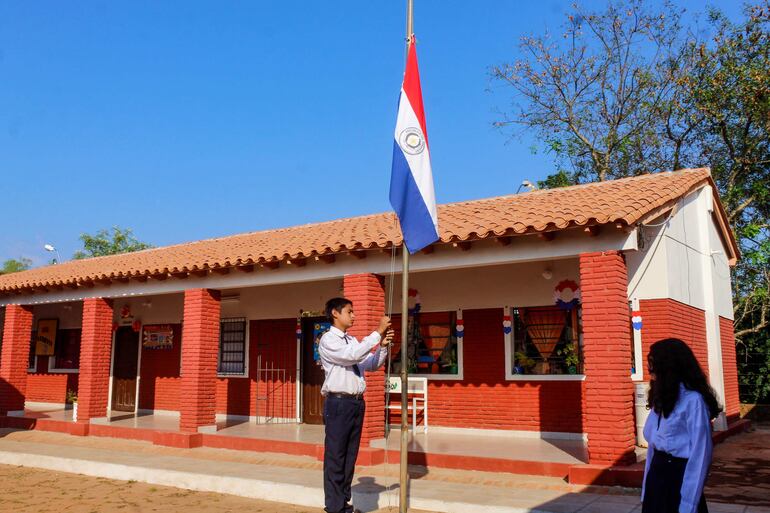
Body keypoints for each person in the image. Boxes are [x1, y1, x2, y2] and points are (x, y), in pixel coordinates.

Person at [319, 297, 393, 513]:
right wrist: (377, 332)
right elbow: (350, 356)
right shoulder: (328, 340)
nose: (354, 316)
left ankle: (343, 504)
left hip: (356, 404)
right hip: (338, 403)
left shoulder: (351, 340)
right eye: (349, 311)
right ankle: (334, 507)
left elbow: (369, 363)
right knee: (336, 456)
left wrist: (383, 347)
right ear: (335, 313)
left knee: (349, 456)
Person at [642, 338, 722, 513]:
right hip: (657, 476)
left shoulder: (693, 401)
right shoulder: (661, 399)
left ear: (668, 367)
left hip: (679, 478)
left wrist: (688, 504)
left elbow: (701, 455)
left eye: (653, 365)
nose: (650, 371)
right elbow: (653, 449)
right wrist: (646, 490)